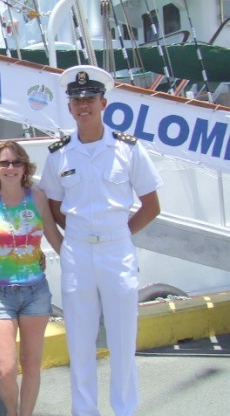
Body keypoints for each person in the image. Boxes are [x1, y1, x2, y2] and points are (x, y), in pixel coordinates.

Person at [40, 65, 163, 416]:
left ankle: (124, 410)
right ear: (69, 107)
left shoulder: (128, 149)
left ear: (103, 102)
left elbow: (151, 206)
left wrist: (117, 233)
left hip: (116, 250)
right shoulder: (58, 153)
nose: (84, 105)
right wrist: (78, 236)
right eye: (77, 100)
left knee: (123, 340)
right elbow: (53, 205)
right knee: (79, 341)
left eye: (90, 98)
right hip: (78, 251)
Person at [0, 141, 63, 416]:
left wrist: (85, 265)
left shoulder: (37, 197)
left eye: (16, 162)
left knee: (31, 364)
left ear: (25, 166)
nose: (10, 168)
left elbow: (54, 236)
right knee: (5, 369)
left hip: (35, 291)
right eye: (4, 163)